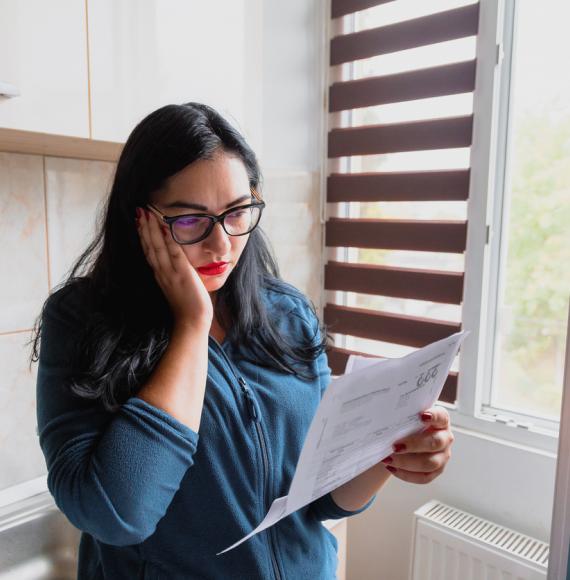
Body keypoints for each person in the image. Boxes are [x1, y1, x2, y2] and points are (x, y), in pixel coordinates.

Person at [31, 102, 455, 579]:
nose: (221, 245)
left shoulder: (286, 314)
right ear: (141, 220)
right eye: (190, 220)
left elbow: (317, 502)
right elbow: (118, 515)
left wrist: (392, 455)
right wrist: (192, 324)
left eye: (237, 212)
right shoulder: (81, 321)